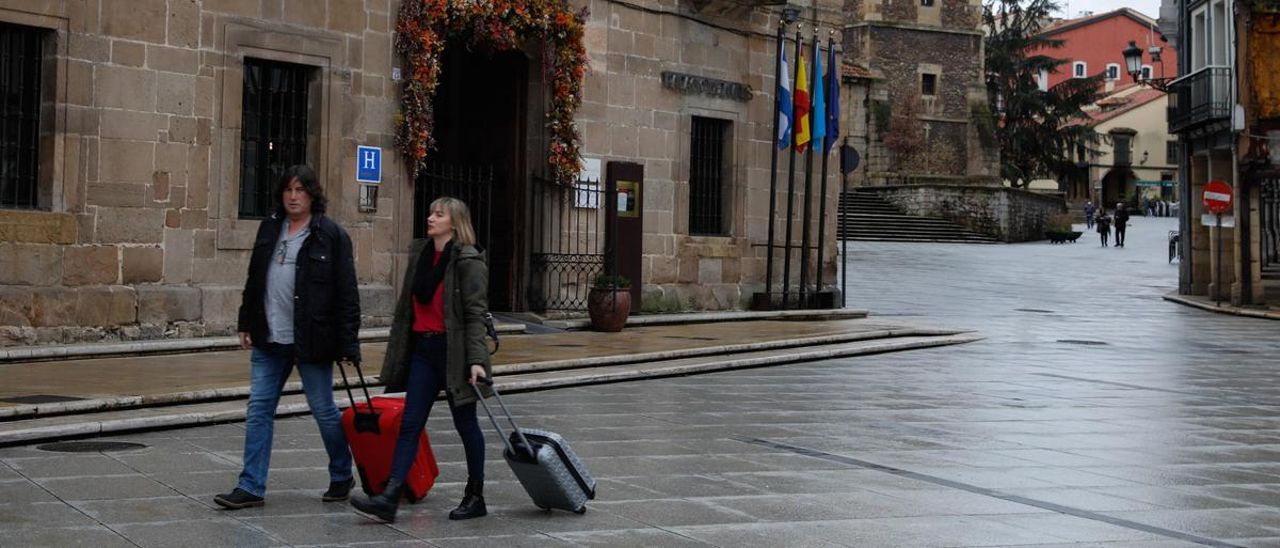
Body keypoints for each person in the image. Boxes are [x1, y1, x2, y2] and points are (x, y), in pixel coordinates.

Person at [215, 165, 360, 510]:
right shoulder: (270, 229)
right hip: (269, 336)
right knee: (259, 409)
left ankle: (341, 474)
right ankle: (251, 485)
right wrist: (246, 321)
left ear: (312, 195)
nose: (294, 197)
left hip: (311, 339)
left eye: (301, 190)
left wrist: (348, 343)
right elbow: (255, 278)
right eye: (288, 190)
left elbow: (347, 293)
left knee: (324, 409)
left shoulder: (331, 235)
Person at [350, 197, 493, 523]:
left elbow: (474, 315)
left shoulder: (468, 261)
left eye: (438, 214)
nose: (430, 218)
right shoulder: (421, 256)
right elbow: (406, 311)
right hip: (423, 352)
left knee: (466, 423)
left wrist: (476, 361)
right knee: (410, 423)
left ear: (455, 223)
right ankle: (390, 495)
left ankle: (476, 494)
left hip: (453, 352)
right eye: (430, 212)